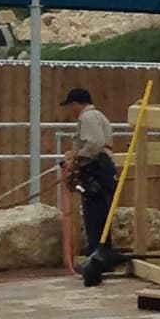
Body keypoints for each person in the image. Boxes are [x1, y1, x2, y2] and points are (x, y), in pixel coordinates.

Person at [59, 85, 121, 281]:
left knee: (94, 215)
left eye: (71, 106)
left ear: (76, 104)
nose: (71, 110)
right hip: (102, 169)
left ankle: (96, 258)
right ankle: (102, 255)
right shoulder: (97, 116)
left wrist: (77, 158)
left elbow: (94, 143)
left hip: (96, 169)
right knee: (101, 215)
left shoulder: (88, 118)